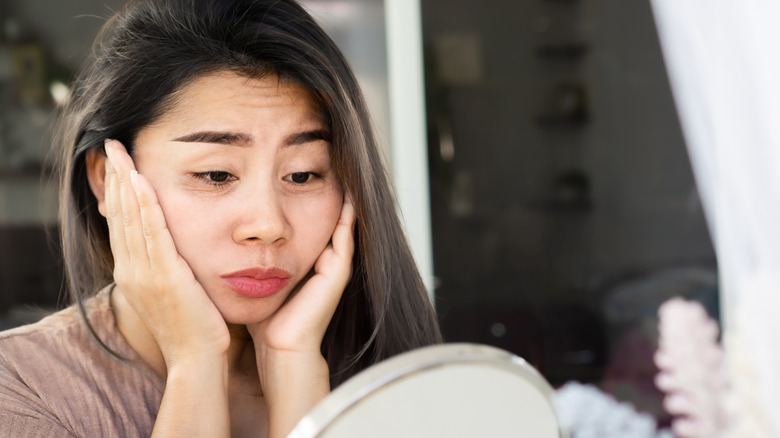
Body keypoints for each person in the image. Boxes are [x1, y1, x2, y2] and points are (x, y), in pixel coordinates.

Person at [0, 0, 442, 436]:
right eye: (215, 174)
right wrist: (195, 362)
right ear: (106, 177)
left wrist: (293, 367)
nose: (268, 226)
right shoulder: (22, 390)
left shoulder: (404, 383)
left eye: (303, 174)